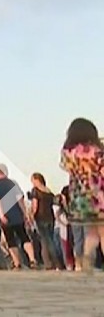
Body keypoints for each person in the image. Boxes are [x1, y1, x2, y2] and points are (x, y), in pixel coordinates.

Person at [60, 117, 104, 274]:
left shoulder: (67, 153)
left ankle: (86, 259)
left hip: (79, 197)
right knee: (102, 231)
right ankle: (87, 260)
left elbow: (66, 168)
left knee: (92, 232)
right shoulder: (97, 151)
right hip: (98, 194)